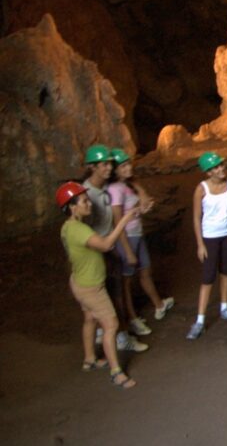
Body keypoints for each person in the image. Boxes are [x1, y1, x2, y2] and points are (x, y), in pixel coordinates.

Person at [57, 181, 140, 389]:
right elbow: (105, 245)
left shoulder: (69, 227)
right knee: (110, 324)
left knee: (90, 319)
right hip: (91, 288)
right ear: (72, 207)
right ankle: (116, 373)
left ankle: (90, 359)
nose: (89, 204)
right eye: (84, 201)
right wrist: (124, 220)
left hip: (80, 282)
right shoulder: (78, 229)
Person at [81, 144, 148, 354]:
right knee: (113, 296)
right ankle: (120, 337)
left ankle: (109, 333)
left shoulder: (104, 188)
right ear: (92, 167)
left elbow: (128, 181)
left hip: (109, 248)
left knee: (112, 294)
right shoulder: (87, 194)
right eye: (104, 164)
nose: (109, 168)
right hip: (98, 251)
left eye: (110, 163)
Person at [109, 148, 174, 336]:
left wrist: (140, 198)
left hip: (137, 234)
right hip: (127, 238)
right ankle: (132, 318)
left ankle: (159, 305)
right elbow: (117, 222)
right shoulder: (115, 190)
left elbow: (142, 202)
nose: (129, 167)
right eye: (123, 166)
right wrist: (127, 251)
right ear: (116, 170)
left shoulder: (128, 185)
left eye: (129, 164)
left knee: (146, 271)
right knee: (126, 282)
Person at [187, 151, 227, 340]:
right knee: (208, 276)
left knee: (226, 270)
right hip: (210, 235)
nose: (221, 169)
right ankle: (200, 320)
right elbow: (196, 218)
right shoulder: (201, 189)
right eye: (216, 167)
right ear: (208, 172)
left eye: (221, 165)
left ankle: (224, 306)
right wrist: (200, 244)